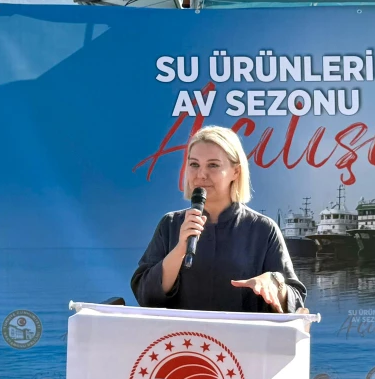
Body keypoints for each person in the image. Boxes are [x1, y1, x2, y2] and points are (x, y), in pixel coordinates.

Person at [131, 126, 307, 313]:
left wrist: (275, 283)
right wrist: (180, 249)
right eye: (194, 164)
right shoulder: (170, 224)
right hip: (182, 333)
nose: (201, 174)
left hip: (243, 333)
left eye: (213, 165)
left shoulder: (263, 229)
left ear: (235, 172)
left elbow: (296, 302)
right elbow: (146, 297)